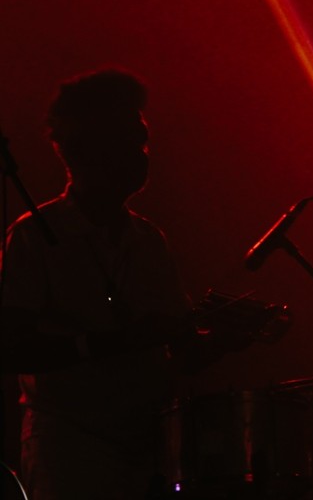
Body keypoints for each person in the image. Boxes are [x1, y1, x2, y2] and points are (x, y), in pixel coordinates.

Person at [1, 68, 190, 500]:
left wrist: (215, 341)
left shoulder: (149, 240)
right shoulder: (34, 236)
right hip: (70, 456)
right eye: (130, 141)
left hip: (146, 455)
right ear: (87, 150)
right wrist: (106, 342)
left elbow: (174, 350)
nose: (143, 155)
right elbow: (9, 347)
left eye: (143, 142)